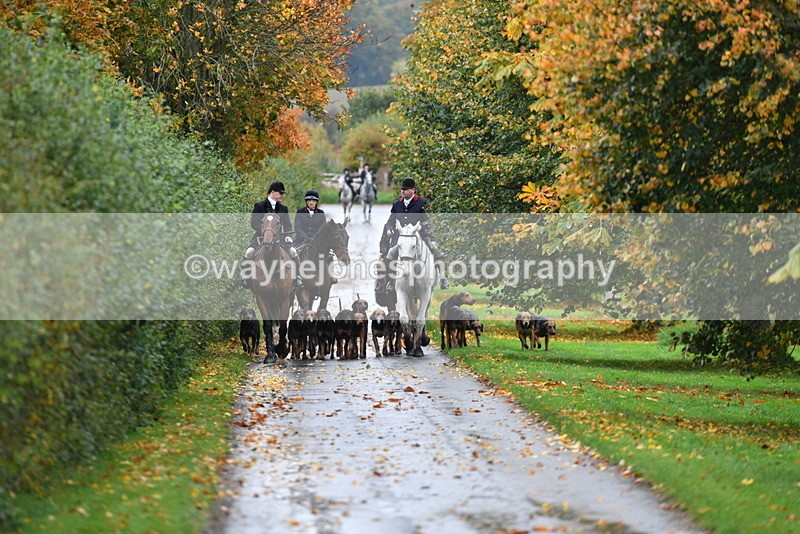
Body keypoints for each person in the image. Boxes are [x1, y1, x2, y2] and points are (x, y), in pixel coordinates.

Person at [378, 178, 449, 292]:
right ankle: (390, 282)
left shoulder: (422, 202)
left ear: (413, 190)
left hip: (420, 235)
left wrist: (422, 227)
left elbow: (430, 220)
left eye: (405, 189)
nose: (403, 191)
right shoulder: (397, 204)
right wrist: (389, 229)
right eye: (402, 189)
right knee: (391, 253)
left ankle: (443, 278)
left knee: (435, 249)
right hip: (402, 237)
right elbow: (390, 221)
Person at [243, 180, 303, 288]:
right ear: (273, 192)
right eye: (281, 193)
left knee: (294, 253)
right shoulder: (259, 206)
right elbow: (254, 222)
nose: (282, 196)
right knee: (248, 253)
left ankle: (297, 277)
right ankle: (246, 279)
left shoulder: (283, 208)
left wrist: (288, 235)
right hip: (261, 237)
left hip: (280, 238)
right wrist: (266, 232)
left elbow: (288, 225)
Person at [295, 189, 337, 284]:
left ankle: (331, 276)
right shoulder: (300, 212)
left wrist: (315, 239)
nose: (311, 202)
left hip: (317, 241)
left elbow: (322, 228)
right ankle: (296, 276)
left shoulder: (321, 213)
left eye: (313, 201)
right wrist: (305, 237)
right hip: (302, 240)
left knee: (330, 255)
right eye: (309, 201)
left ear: (316, 202)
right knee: (293, 253)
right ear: (306, 202)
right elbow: (298, 227)